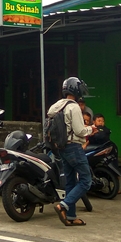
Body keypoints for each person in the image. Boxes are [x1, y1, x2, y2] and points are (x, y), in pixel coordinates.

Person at [50, 77, 95, 226]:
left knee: (70, 181)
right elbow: (80, 130)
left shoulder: (57, 105)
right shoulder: (74, 106)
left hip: (61, 147)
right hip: (74, 147)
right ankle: (63, 205)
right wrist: (91, 129)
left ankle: (70, 216)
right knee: (86, 180)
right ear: (76, 89)